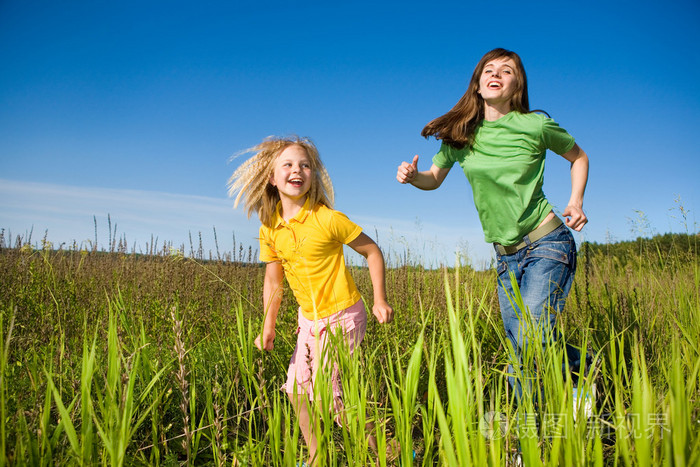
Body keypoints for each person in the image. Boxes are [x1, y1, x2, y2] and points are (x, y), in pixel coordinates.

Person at [396, 48, 591, 400]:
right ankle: (577, 376)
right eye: (489, 69)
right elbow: (434, 178)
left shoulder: (536, 125)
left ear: (517, 85)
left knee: (532, 334)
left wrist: (575, 201)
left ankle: (535, 421)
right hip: (505, 256)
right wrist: (413, 178)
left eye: (507, 70)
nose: (496, 73)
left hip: (547, 241)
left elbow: (578, 157)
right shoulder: (461, 135)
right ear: (478, 84)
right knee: (521, 344)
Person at [229, 136, 395, 466]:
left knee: (328, 397)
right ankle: (318, 457)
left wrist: (380, 298)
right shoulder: (270, 227)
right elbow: (274, 281)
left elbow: (372, 251)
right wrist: (268, 325)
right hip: (310, 320)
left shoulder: (327, 219)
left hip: (344, 314)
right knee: (295, 392)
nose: (298, 170)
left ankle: (390, 454)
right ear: (272, 178)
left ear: (313, 176)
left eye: (305, 165)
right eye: (288, 165)